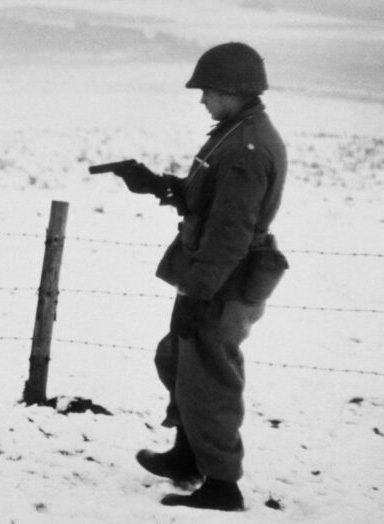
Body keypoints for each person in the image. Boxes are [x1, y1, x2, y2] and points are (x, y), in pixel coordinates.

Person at [108, 42, 287, 511]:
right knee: (178, 359)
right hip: (214, 274)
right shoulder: (235, 133)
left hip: (225, 278)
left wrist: (197, 294)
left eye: (208, 91)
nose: (202, 99)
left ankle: (222, 486)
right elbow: (210, 200)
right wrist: (159, 184)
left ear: (232, 90)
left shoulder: (245, 148)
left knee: (209, 376)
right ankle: (188, 456)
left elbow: (230, 232)